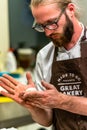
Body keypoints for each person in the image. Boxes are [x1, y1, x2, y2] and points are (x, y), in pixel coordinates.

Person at [0, 0, 87, 129]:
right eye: (41, 26)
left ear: (70, 10)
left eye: (52, 23)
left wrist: (62, 101)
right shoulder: (44, 55)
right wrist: (34, 106)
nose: (48, 33)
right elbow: (47, 120)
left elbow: (60, 102)